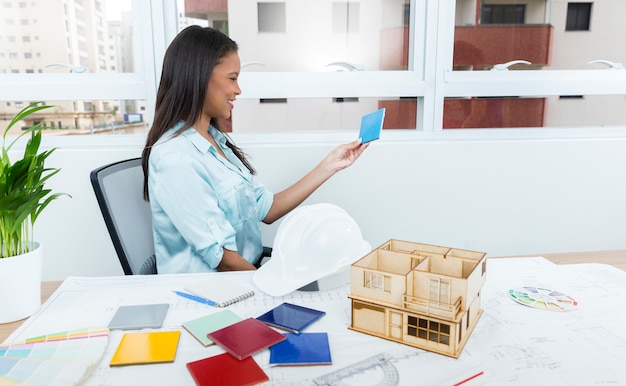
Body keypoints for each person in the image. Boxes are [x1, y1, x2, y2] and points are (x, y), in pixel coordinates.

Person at [141, 26, 368, 274]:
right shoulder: (175, 159)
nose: (238, 90)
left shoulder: (214, 141)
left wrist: (330, 165)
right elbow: (224, 259)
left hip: (244, 277)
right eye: (232, 78)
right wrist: (273, 285)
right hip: (210, 292)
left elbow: (266, 209)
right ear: (200, 77)